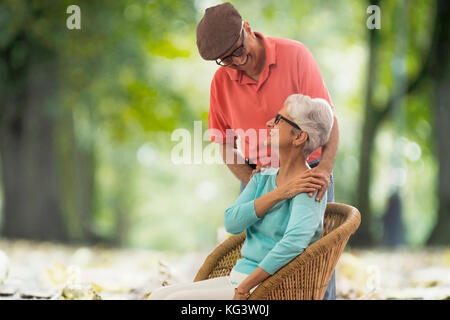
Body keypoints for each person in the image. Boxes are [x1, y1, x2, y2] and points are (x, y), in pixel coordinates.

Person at [196, 2, 339, 299]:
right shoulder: (221, 81)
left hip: (308, 175)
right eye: (225, 59)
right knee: (257, 253)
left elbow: (329, 119)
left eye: (237, 49)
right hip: (257, 177)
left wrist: (324, 169)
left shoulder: (295, 55)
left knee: (314, 266)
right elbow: (223, 141)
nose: (235, 61)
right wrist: (257, 182)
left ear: (247, 28)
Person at [149, 94, 334, 300]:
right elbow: (232, 222)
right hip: (237, 278)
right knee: (159, 295)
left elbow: (293, 244)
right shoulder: (262, 177)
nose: (269, 123)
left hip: (269, 288)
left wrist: (246, 286)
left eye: (279, 120)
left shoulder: (309, 188)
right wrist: (280, 193)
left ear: (299, 137)